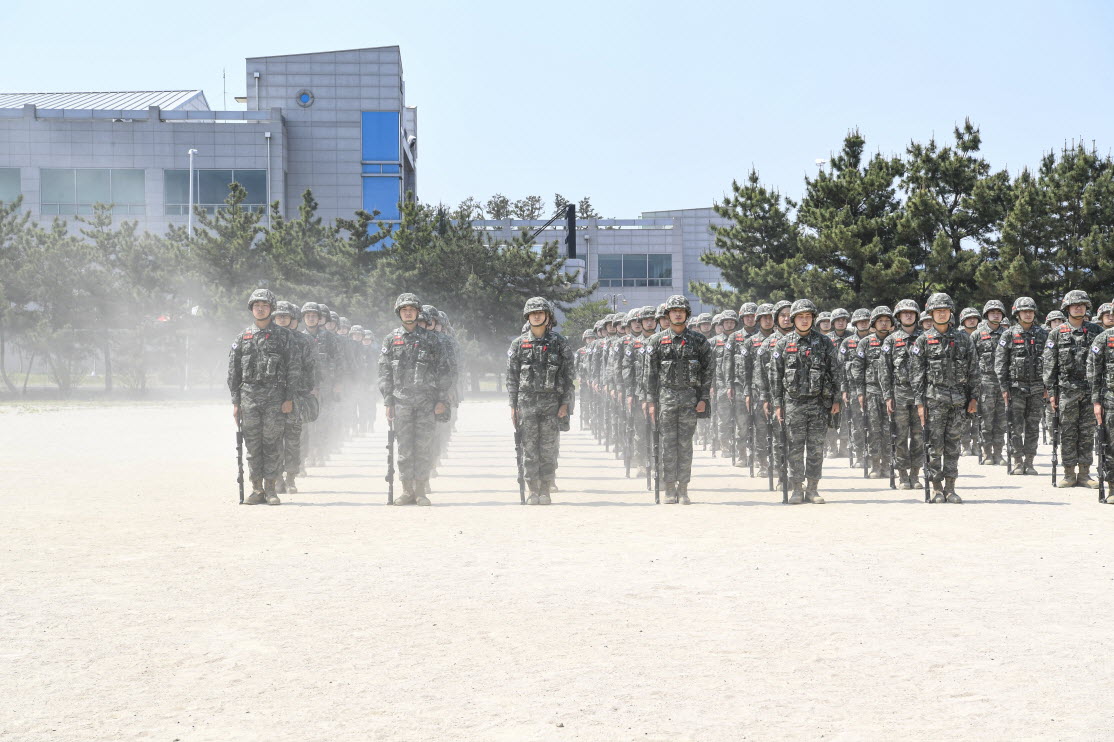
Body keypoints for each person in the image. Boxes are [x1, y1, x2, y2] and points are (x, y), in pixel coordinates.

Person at [378, 293, 455, 505]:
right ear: (399, 313)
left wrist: (441, 400)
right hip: (401, 402)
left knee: (423, 447)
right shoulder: (391, 339)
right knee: (404, 448)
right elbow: (385, 372)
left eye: (412, 309)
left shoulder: (432, 340)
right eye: (404, 309)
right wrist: (388, 401)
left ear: (418, 312)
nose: (408, 312)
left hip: (426, 403)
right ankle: (406, 490)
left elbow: (443, 371)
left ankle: (420, 490)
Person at [227, 288, 301, 505]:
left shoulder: (284, 336)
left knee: (272, 444)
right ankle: (256, 488)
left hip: (275, 399)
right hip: (248, 398)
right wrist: (235, 402)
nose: (260, 308)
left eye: (265, 305)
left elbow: (293, 369)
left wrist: (289, 398)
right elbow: (233, 372)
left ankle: (271, 489)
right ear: (251, 309)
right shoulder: (243, 337)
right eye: (256, 305)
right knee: (252, 445)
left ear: (271, 309)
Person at [644, 295, 713, 504]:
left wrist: (703, 397)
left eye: (681, 310)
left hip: (690, 400)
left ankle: (683, 488)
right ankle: (669, 487)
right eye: (673, 311)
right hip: (666, 399)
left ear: (687, 314)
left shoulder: (699, 341)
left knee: (685, 445)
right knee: (667, 444)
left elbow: (708, 371)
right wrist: (651, 402)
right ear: (667, 315)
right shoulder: (656, 341)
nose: (677, 313)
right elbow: (649, 374)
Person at [769, 299, 841, 503]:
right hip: (793, 403)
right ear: (793, 319)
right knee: (794, 448)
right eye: (800, 316)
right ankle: (796, 488)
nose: (804, 320)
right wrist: (777, 404)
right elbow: (775, 375)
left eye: (808, 316)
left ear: (813, 319)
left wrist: (836, 399)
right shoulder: (783, 343)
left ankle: (812, 488)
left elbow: (835, 371)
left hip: (819, 403)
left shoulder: (824, 342)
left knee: (816, 448)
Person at [909, 293, 979, 503]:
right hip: (934, 401)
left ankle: (950, 487)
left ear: (950, 313)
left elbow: (974, 370)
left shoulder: (963, 339)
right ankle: (936, 488)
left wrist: (974, 397)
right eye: (938, 310)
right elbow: (916, 375)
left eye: (945, 310)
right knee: (934, 446)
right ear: (931, 313)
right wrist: (920, 404)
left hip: (958, 402)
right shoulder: (923, 341)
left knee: (953, 446)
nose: (942, 313)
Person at [506, 297, 574, 504]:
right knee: (528, 448)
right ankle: (532, 490)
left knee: (547, 449)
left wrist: (565, 404)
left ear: (547, 316)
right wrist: (512, 405)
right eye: (533, 313)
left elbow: (569, 376)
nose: (536, 315)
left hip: (551, 404)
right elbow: (512, 377)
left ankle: (545, 489)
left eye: (540, 312)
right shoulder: (518, 344)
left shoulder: (559, 343)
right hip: (526, 404)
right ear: (528, 316)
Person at [1042, 290, 1102, 488]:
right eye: (1075, 305)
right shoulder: (1056, 333)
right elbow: (1049, 365)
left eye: (1082, 305)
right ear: (1066, 308)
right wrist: (1051, 393)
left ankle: (1085, 473)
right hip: (1066, 391)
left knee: (1086, 433)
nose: (1079, 308)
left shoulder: (1096, 331)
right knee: (1067, 433)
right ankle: (1068, 473)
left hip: (1090, 390)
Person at [994, 297, 1045, 475]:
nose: (1028, 314)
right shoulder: (1008, 334)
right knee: (1015, 426)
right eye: (1025, 311)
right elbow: (1000, 363)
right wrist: (1003, 387)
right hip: (1016, 388)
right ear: (1017, 313)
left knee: (1033, 427)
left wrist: (1048, 387)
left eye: (1031, 311)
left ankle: (1029, 461)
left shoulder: (1043, 334)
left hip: (1037, 388)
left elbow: (1050, 362)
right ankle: (1017, 460)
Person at [272, 300, 315, 494]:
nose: (282, 319)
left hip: (296, 397)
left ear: (292, 319)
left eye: (285, 316)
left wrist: (306, 392)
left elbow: (309, 368)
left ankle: (290, 477)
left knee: (292, 439)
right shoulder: (268, 338)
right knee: (273, 440)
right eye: (278, 316)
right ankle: (277, 477)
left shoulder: (302, 340)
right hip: (271, 397)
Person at [881, 299, 924, 489]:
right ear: (898, 317)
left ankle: (916, 474)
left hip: (920, 395)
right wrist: (888, 396)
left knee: (919, 437)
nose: (908, 315)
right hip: (899, 394)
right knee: (899, 437)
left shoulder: (924, 338)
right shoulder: (891, 340)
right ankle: (903, 474)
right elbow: (884, 370)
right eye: (904, 313)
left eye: (912, 313)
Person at [849, 306, 895, 479]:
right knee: (874, 430)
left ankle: (888, 465)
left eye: (887, 321)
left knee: (891, 430)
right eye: (880, 321)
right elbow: (857, 369)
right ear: (874, 324)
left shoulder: (896, 341)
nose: (883, 324)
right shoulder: (865, 343)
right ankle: (875, 465)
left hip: (894, 393)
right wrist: (860, 393)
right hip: (872, 392)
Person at [973, 300, 1009, 465]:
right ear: (986, 314)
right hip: (985, 382)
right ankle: (986, 452)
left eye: (999, 312)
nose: (996, 314)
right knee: (986, 420)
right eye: (992, 312)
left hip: (1003, 382)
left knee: (1001, 420)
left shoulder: (1008, 334)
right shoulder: (977, 335)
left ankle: (999, 453)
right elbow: (971, 362)